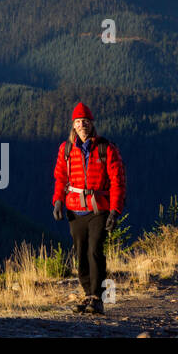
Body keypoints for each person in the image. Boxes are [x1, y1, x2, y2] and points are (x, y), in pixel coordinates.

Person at [51, 101, 126, 314]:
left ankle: (97, 297)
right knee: (81, 254)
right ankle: (87, 296)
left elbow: (117, 181)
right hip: (75, 210)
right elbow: (60, 178)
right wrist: (57, 200)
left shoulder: (106, 148)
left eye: (85, 121)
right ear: (73, 126)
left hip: (99, 209)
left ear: (92, 124)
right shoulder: (66, 150)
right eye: (78, 122)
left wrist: (115, 211)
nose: (82, 125)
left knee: (95, 251)